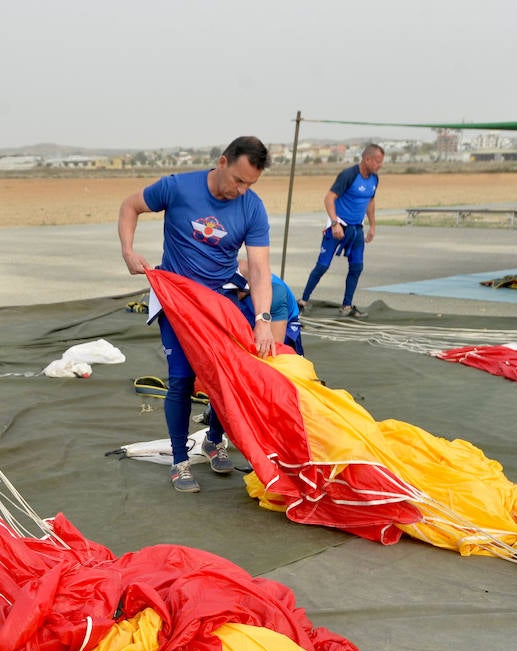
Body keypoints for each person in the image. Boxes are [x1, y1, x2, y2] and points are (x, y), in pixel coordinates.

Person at [118, 136, 274, 494]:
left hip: (219, 302)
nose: (241, 189)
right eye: (238, 179)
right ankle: (179, 461)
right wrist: (128, 251)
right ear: (222, 162)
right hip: (176, 300)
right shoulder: (177, 188)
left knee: (227, 374)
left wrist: (262, 319)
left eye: (250, 184)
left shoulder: (252, 208)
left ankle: (214, 439)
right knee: (182, 378)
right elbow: (130, 206)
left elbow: (261, 269)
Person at [299, 143, 384, 318]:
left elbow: (370, 202)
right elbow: (329, 198)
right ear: (367, 159)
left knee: (357, 267)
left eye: (381, 162)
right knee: (322, 265)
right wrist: (334, 223)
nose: (379, 165)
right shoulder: (349, 175)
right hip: (338, 227)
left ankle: (347, 306)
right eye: (377, 161)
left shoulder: (375, 179)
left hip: (356, 230)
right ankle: (303, 301)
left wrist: (372, 226)